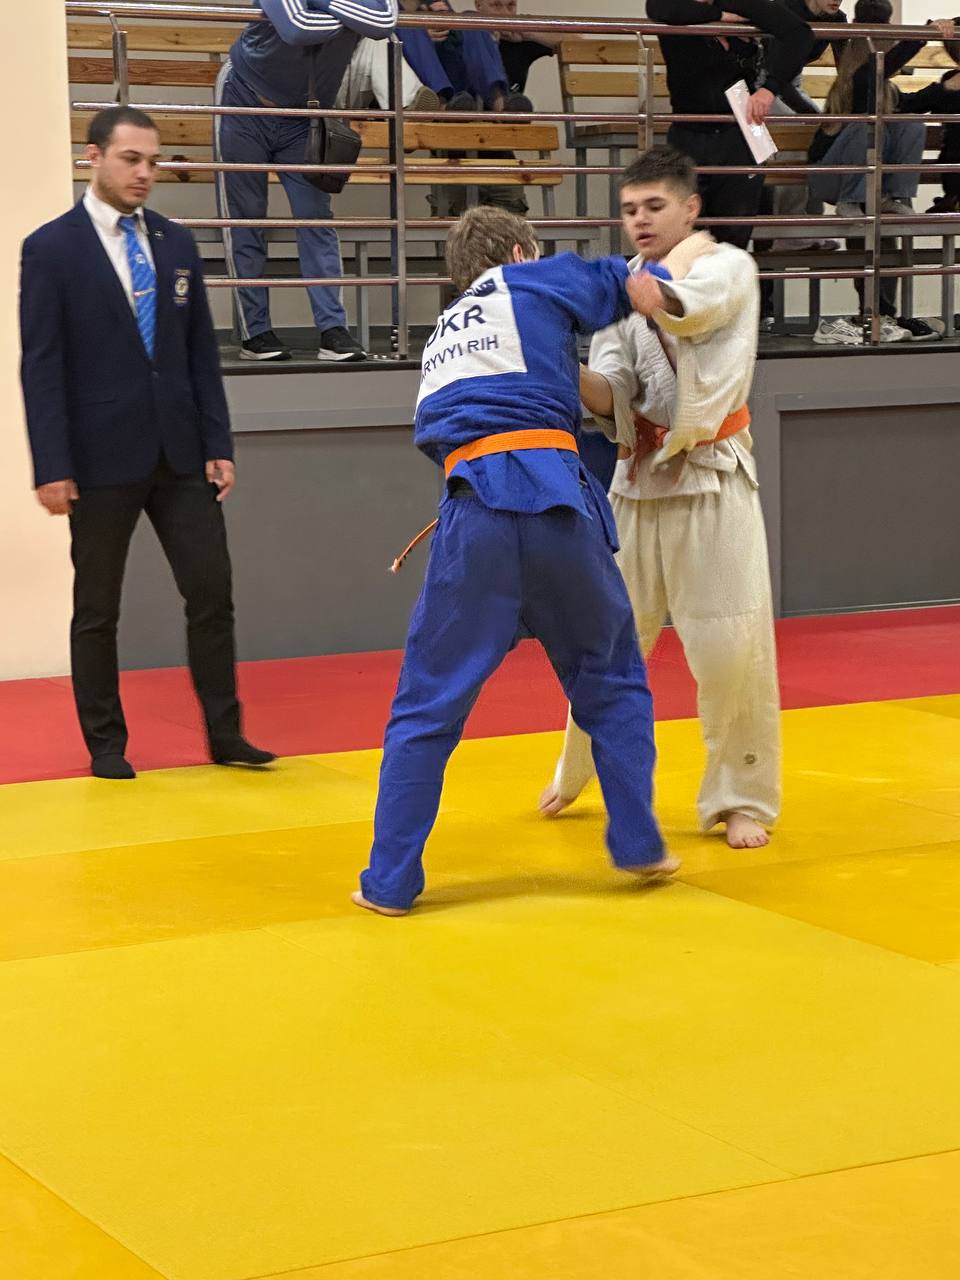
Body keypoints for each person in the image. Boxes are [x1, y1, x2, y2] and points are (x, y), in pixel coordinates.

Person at [352, 207, 677, 916]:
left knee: (425, 709)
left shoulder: (443, 335)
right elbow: (614, 281)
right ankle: (638, 842)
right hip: (557, 507)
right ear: (523, 252)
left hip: (473, 518)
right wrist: (667, 282)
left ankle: (388, 882)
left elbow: (439, 433)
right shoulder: (527, 282)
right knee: (612, 679)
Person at [19, 107, 275, 781]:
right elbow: (41, 365)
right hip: (98, 457)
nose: (144, 173)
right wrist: (52, 464)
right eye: (131, 159)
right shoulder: (51, 248)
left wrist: (219, 443)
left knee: (212, 591)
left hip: (181, 451)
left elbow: (200, 355)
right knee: (98, 608)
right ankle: (106, 743)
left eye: (153, 162)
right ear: (94, 157)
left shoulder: (175, 242)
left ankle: (226, 733)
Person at [539, 146, 780, 851]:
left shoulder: (728, 266)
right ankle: (575, 770)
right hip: (639, 484)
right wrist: (555, 358)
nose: (640, 220)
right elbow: (614, 392)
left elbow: (694, 311)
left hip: (712, 476)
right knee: (605, 639)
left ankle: (740, 799)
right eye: (629, 210)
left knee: (731, 649)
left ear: (690, 208)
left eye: (654, 206)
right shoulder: (622, 294)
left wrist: (650, 295)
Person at [215, 0, 397, 363]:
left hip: (304, 115)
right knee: (245, 219)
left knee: (316, 218)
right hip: (244, 99)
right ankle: (255, 332)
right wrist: (350, 20)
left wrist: (322, 4)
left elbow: (385, 19)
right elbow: (298, 27)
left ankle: (333, 330)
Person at [808, 2, 954, 343]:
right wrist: (923, 35)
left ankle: (882, 312)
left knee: (908, 122)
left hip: (874, 185)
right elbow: (874, 73)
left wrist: (948, 84)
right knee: (870, 127)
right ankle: (873, 309)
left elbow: (920, 102)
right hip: (834, 179)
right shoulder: (857, 84)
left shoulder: (889, 91)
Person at [646, 0, 816, 250]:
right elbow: (657, 8)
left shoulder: (738, 3)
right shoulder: (675, 6)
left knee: (734, 234)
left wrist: (769, 89)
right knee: (684, 234)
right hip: (689, 131)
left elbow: (799, 33)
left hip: (738, 131)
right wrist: (719, 16)